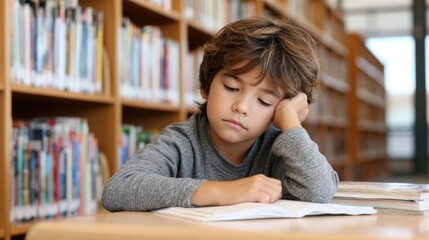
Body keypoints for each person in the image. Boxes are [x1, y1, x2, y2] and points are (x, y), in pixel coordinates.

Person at [102, 17, 339, 212]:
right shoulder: (182, 141)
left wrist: (290, 121)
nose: (241, 106)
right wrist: (226, 191)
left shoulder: (280, 147)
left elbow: (319, 190)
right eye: (231, 88)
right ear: (206, 86)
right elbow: (118, 189)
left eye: (264, 101)